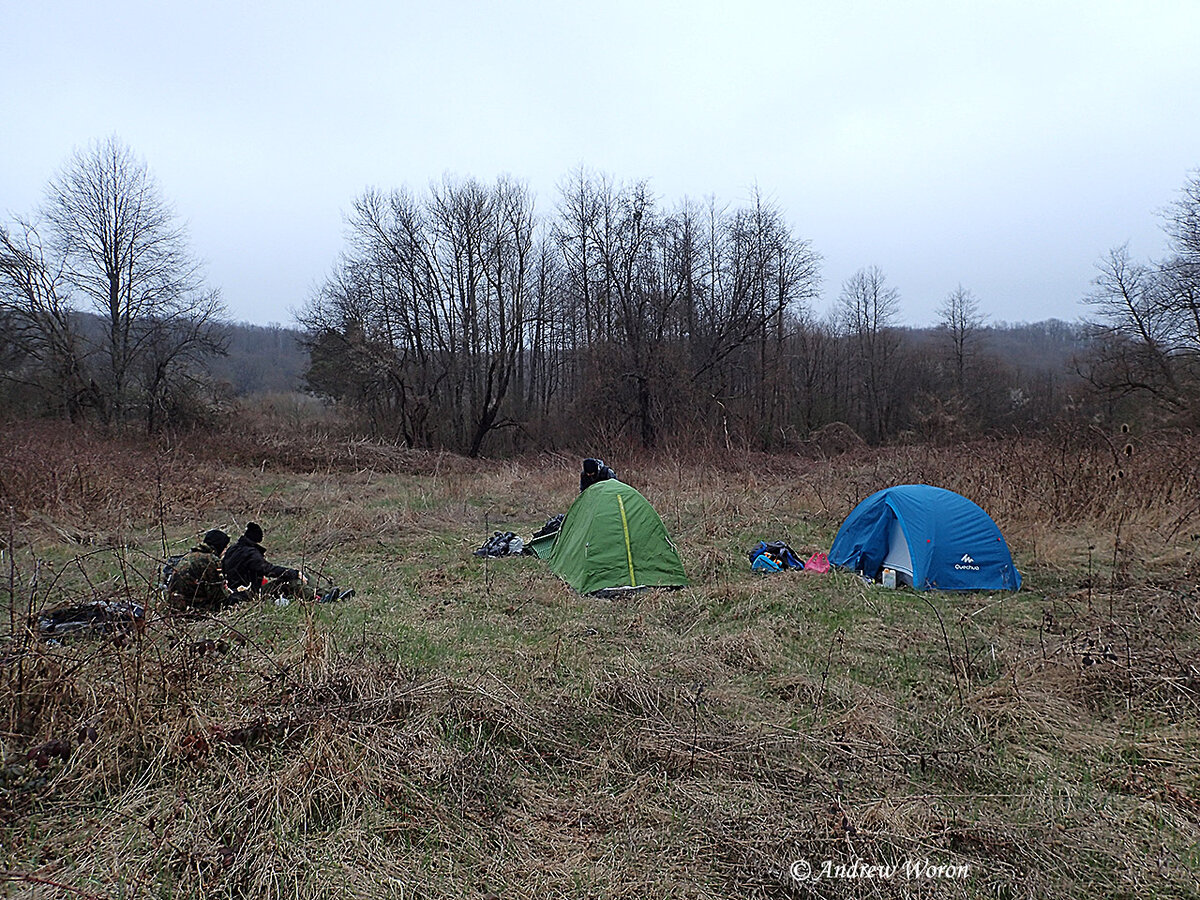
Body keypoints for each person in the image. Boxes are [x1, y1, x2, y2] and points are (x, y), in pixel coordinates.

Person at [223, 522, 345, 603]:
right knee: (291, 580)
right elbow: (268, 570)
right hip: (251, 594)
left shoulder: (232, 549)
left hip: (238, 591)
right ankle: (318, 598)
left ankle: (327, 593)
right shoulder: (250, 553)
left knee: (303, 575)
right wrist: (293, 573)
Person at [167, 529, 237, 611]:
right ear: (219, 546)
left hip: (174, 604)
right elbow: (217, 595)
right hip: (192, 607)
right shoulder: (210, 560)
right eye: (225, 547)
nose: (225, 551)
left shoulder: (190, 556)